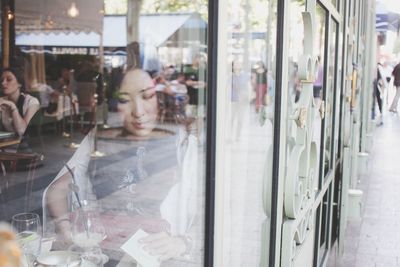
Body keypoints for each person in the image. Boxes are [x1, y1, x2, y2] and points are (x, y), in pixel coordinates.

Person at [43, 69, 201, 265]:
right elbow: (57, 190)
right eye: (125, 100)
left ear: (158, 99)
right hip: (105, 247)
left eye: (147, 96)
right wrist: (64, 226)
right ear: (114, 105)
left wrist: (182, 242)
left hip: (154, 251)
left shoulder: (183, 144)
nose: (139, 111)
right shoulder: (99, 139)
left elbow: (210, 212)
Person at [0, 67, 40, 136]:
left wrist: (12, 106)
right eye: (2, 80)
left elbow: (21, 131)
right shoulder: (2, 101)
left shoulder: (31, 102)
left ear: (19, 83)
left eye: (9, 79)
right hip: (6, 143)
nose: (3, 83)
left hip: (27, 144)